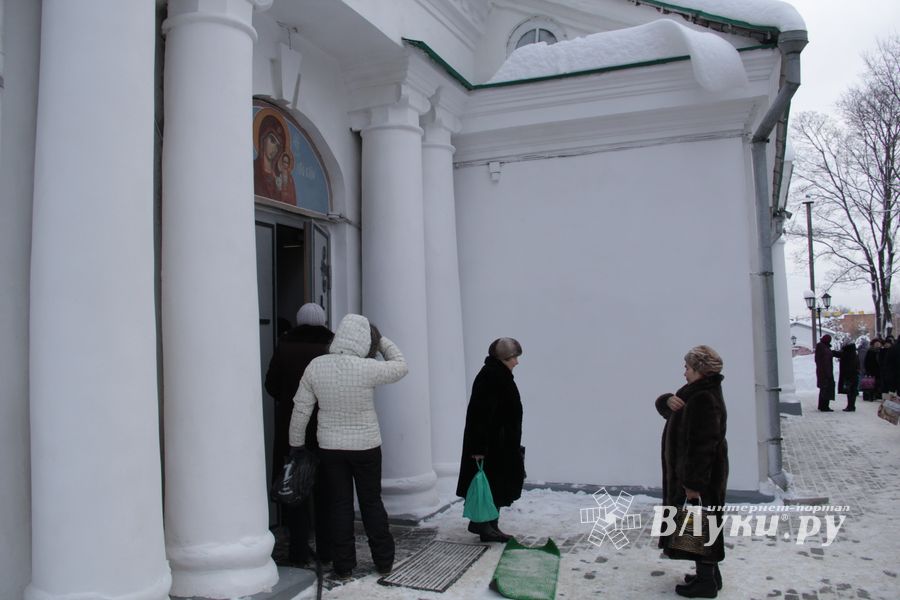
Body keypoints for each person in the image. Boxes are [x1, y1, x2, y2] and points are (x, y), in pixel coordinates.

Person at [288, 314, 408, 579]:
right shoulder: (367, 367)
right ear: (364, 340)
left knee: (339, 505)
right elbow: (401, 366)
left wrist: (296, 444)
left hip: (330, 448)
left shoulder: (316, 366)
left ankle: (343, 566)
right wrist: (381, 340)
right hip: (367, 447)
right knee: (371, 503)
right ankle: (384, 561)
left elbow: (301, 409)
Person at [655, 345, 728, 598]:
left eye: (687, 367)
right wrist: (666, 400)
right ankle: (710, 576)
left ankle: (706, 583)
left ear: (699, 370)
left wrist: (693, 484)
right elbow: (673, 414)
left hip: (700, 477)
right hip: (699, 475)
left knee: (700, 524)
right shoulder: (696, 392)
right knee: (702, 522)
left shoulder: (702, 398)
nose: (684, 372)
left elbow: (702, 445)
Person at [264, 303, 334, 567]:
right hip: (325, 428)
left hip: (292, 427)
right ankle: (326, 550)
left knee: (295, 489)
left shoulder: (285, 346)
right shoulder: (332, 348)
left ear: (299, 320)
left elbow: (271, 384)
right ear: (323, 321)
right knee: (326, 491)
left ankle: (298, 551)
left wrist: (287, 398)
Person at [456, 338, 526, 543]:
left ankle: (491, 525)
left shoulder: (499, 374)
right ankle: (483, 526)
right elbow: (479, 415)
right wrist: (479, 448)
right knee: (491, 485)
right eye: (514, 358)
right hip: (492, 446)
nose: (516, 362)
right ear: (504, 357)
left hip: (501, 444)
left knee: (497, 485)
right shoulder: (491, 376)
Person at [815, 334, 837, 412]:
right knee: (826, 389)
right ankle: (825, 406)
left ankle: (821, 405)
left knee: (823, 389)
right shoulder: (824, 349)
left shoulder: (822, 347)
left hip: (822, 372)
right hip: (826, 372)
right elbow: (825, 362)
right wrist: (828, 373)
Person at [837, 340, 859, 412]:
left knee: (850, 392)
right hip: (854, 375)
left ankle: (850, 406)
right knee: (853, 391)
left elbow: (838, 354)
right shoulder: (854, 354)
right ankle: (851, 406)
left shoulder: (847, 354)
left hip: (849, 376)